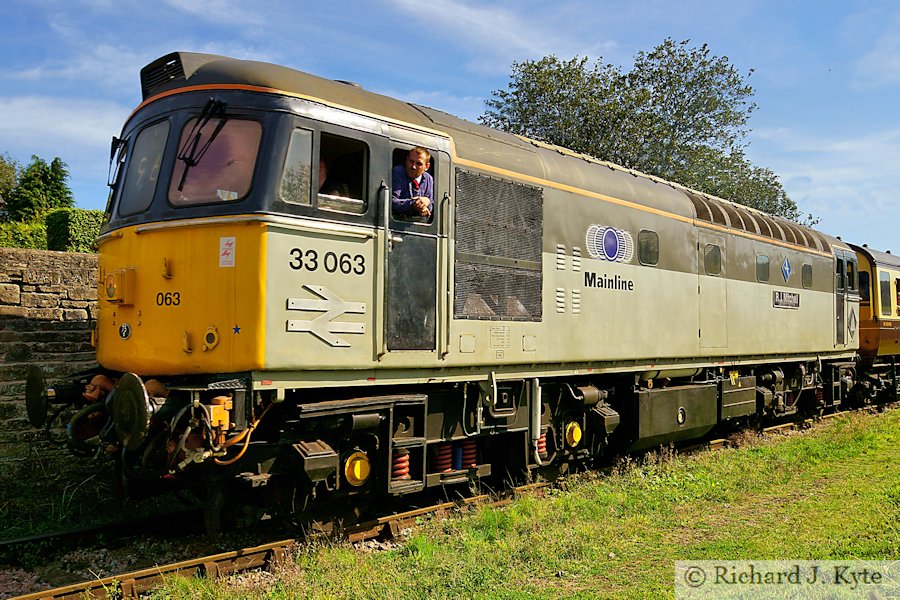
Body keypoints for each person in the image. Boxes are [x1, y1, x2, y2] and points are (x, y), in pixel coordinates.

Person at [392, 147, 433, 217]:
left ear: (427, 166)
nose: (413, 166)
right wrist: (414, 204)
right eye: (411, 161)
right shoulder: (398, 172)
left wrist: (427, 202)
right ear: (406, 160)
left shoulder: (428, 179)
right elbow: (392, 202)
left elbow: (431, 207)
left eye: (419, 164)